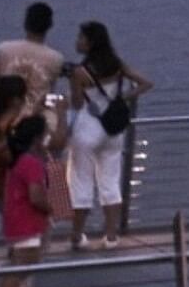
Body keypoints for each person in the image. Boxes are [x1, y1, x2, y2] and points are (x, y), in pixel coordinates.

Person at [63, 22, 152, 251]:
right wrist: (122, 97)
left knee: (81, 182)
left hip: (87, 129)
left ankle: (77, 236)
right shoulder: (117, 64)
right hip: (113, 131)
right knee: (110, 182)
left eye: (81, 37)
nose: (77, 41)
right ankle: (111, 236)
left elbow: (77, 103)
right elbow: (146, 83)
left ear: (90, 42)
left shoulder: (79, 72)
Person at [0, 112, 57, 287]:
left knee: (15, 266)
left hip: (15, 221)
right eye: (45, 136)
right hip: (27, 224)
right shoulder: (31, 163)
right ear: (37, 139)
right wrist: (52, 208)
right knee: (20, 269)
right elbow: (36, 197)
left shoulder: (17, 160)